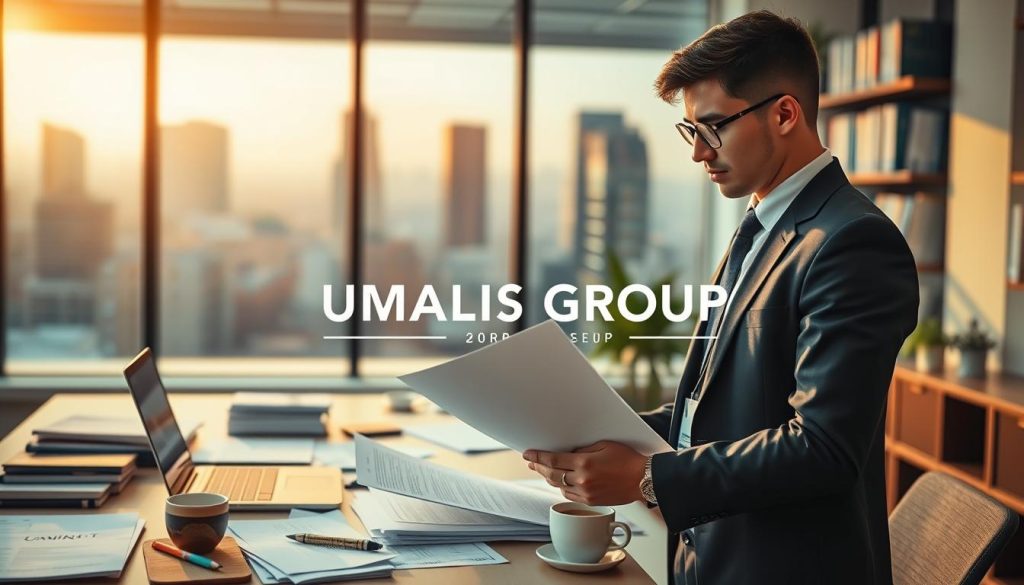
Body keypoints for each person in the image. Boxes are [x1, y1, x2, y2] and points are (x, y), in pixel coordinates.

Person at [523, 10, 919, 585]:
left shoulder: (852, 242)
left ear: (785, 114)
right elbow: (716, 413)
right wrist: (596, 435)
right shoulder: (758, 225)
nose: (698, 153)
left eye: (712, 128)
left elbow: (823, 448)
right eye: (691, 132)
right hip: (704, 558)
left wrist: (647, 478)